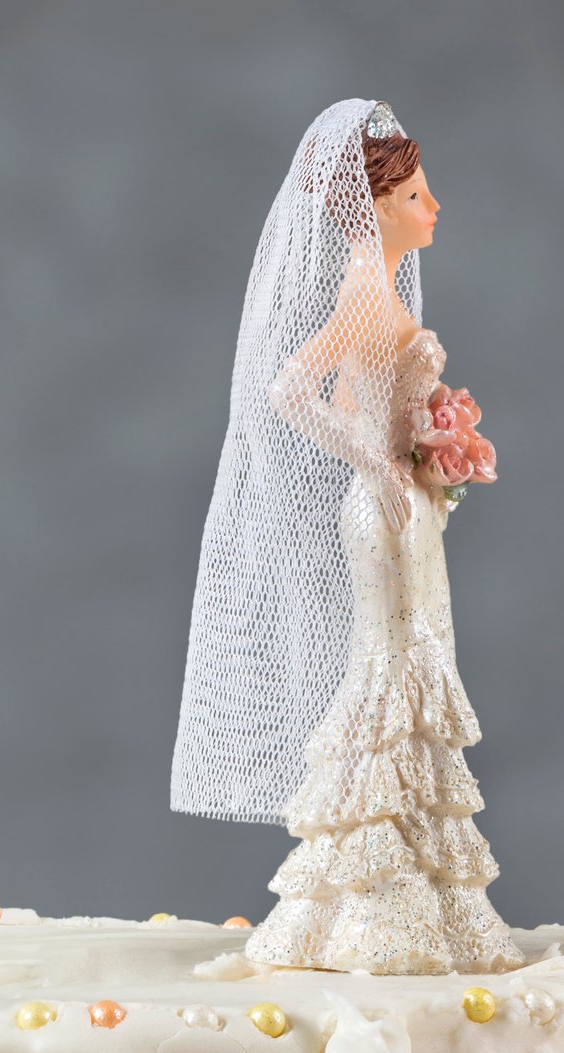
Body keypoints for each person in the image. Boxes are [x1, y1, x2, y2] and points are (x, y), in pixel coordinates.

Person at [172, 100, 520, 974]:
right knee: (391, 667)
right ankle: (374, 895)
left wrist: (424, 453)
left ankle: (411, 890)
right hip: (382, 511)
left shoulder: (377, 285)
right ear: (377, 208)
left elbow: (341, 395)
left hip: (403, 504)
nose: (431, 206)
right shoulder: (365, 289)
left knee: (414, 659)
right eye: (415, 193)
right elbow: (292, 388)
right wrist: (377, 461)